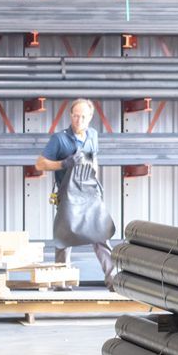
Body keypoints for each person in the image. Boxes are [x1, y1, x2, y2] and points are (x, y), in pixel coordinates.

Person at [34, 98, 117, 282]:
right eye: (75, 116)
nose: (79, 120)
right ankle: (61, 282)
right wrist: (63, 163)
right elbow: (40, 164)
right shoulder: (59, 139)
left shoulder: (93, 135)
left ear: (90, 117)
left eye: (83, 117)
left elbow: (94, 160)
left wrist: (95, 176)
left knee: (101, 234)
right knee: (64, 237)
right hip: (68, 196)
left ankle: (113, 280)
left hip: (90, 195)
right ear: (71, 115)